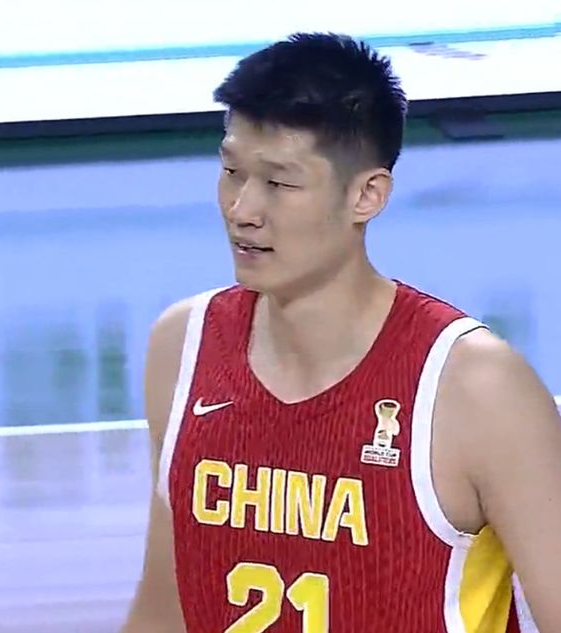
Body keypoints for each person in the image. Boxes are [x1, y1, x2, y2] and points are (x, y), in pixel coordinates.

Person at [121, 32, 561, 633]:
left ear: (366, 195)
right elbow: (164, 609)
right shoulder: (183, 347)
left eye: (279, 183)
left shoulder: (478, 390)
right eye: (231, 172)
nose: (242, 209)